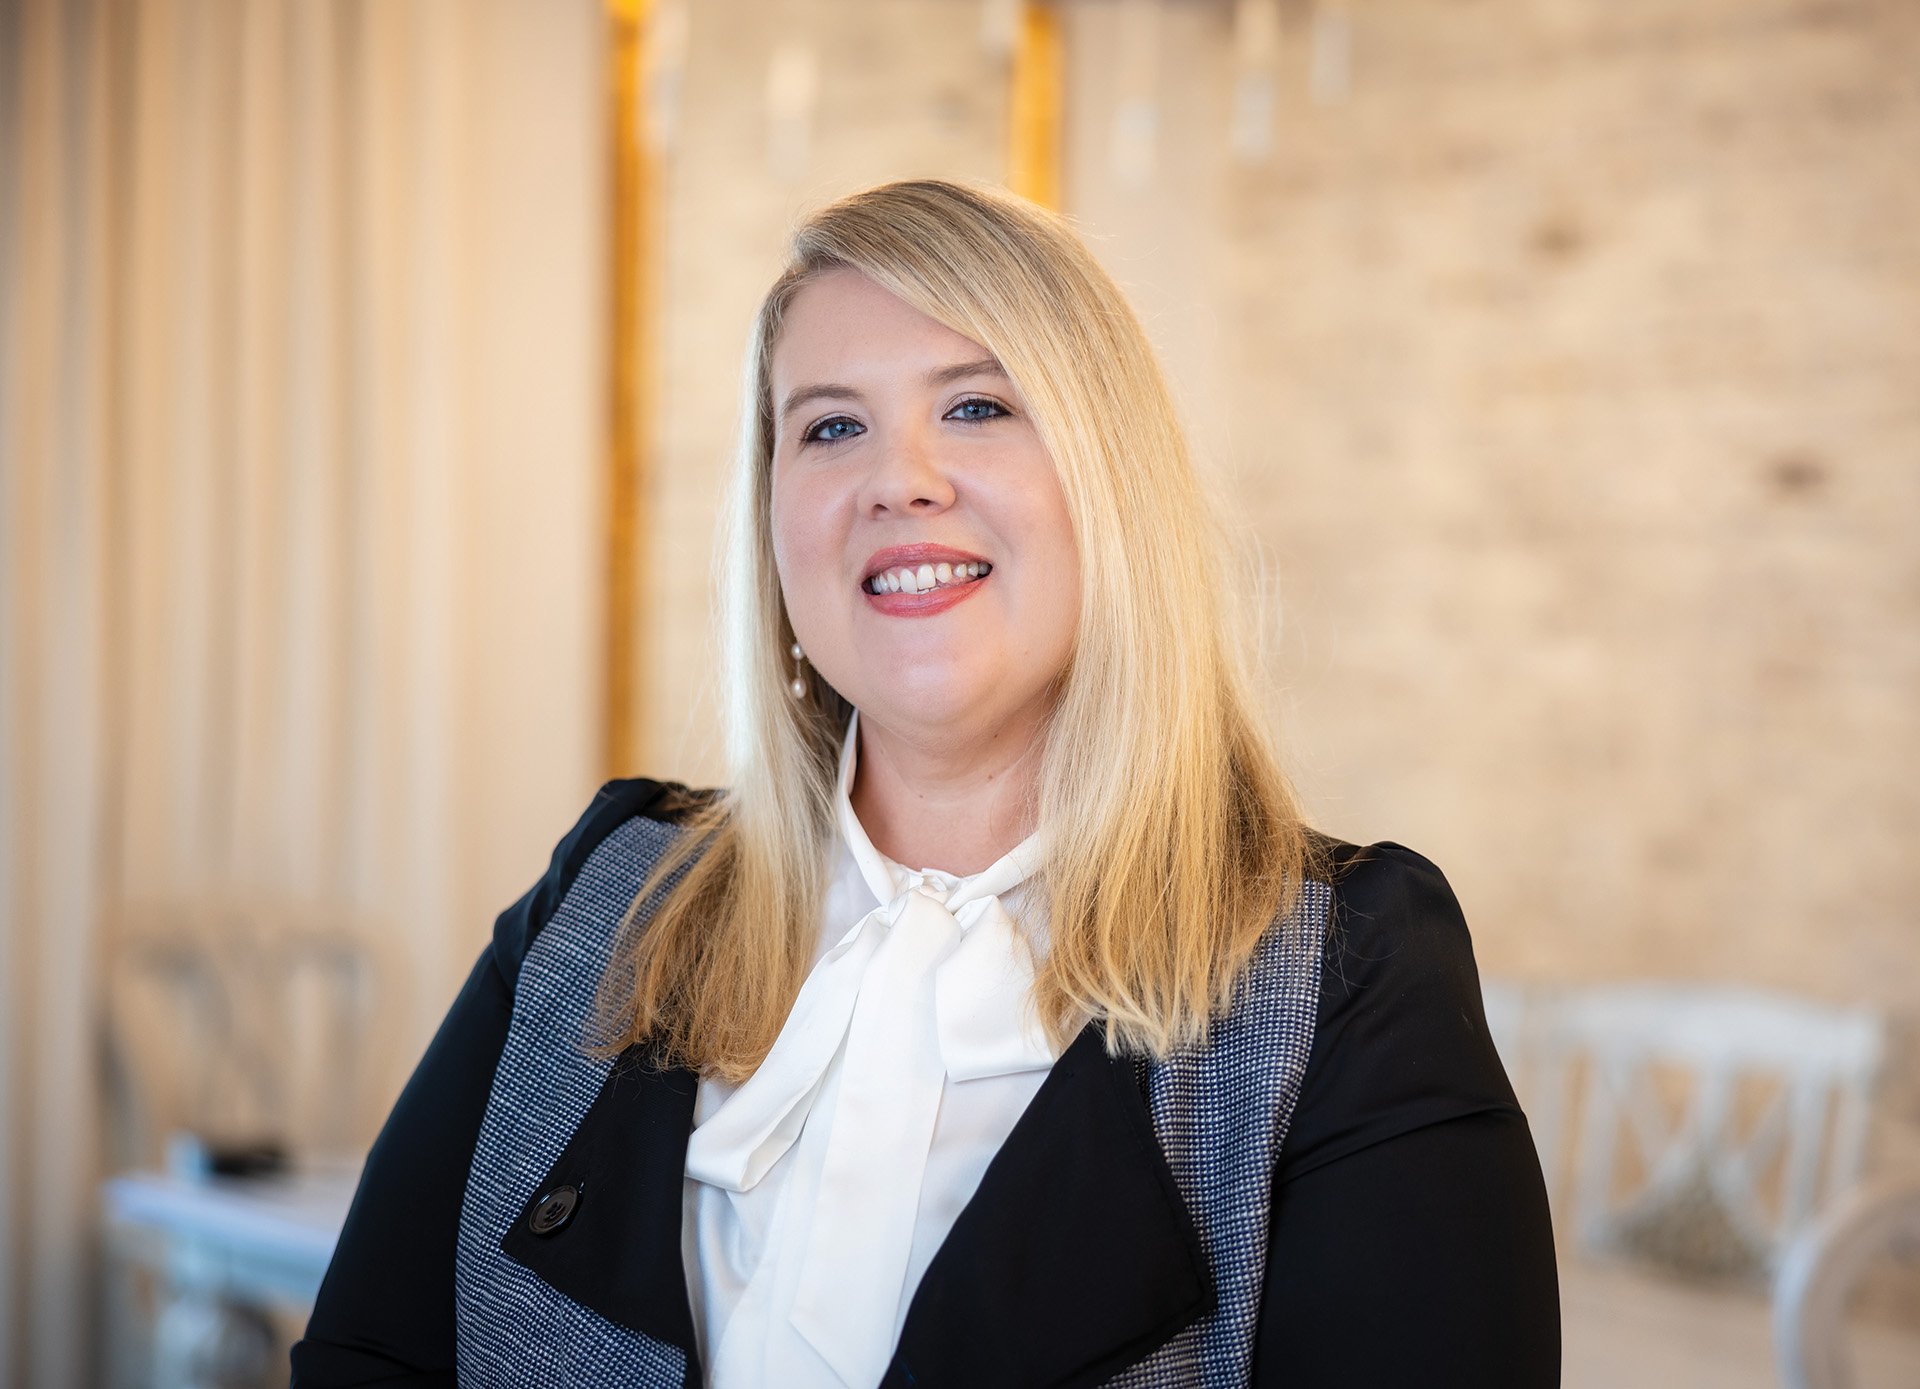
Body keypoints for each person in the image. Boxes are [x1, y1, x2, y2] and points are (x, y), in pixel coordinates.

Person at [291, 177, 1558, 1388]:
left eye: (977, 407)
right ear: (776, 520)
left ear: (1111, 488)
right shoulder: (611, 891)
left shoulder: (1347, 971)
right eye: (831, 427)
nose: (899, 479)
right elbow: (375, 1360)